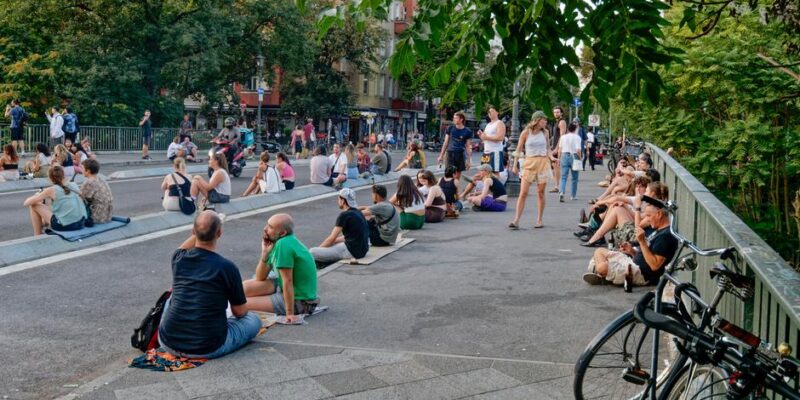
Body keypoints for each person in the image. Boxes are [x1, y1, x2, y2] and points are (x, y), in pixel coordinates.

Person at [159, 211, 262, 359]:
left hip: (168, 342)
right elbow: (239, 312)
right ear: (219, 233)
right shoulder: (227, 267)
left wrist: (200, 228)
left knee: (172, 297)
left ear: (193, 232)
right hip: (207, 347)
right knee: (254, 320)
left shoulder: (179, 258)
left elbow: (182, 247)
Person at [583, 196, 679, 288]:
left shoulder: (665, 236)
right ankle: (604, 274)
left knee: (601, 267)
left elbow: (654, 266)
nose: (648, 220)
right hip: (632, 262)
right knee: (599, 251)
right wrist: (632, 251)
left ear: (659, 214)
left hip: (639, 273)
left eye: (649, 216)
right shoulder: (659, 230)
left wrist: (642, 242)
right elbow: (646, 255)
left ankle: (601, 273)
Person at [243, 214, 319, 322]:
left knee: (239, 305)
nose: (265, 229)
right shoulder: (279, 242)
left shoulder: (283, 245)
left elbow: (287, 281)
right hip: (283, 288)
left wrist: (289, 314)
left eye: (270, 227)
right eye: (267, 225)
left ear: (282, 233)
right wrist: (265, 254)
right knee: (241, 290)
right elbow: (260, 277)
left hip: (301, 302)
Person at [508, 112, 553, 229]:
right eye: (544, 120)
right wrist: (514, 165)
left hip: (542, 162)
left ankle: (539, 220)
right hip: (529, 162)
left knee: (540, 192)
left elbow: (548, 148)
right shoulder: (526, 133)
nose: (545, 122)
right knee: (523, 193)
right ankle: (516, 220)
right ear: (537, 120)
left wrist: (552, 158)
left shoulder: (545, 132)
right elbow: (518, 150)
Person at [310, 188, 370, 264]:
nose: (338, 201)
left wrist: (320, 249)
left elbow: (331, 238)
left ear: (343, 201)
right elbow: (353, 235)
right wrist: (335, 241)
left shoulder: (344, 215)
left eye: (338, 199)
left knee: (312, 252)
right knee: (334, 243)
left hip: (351, 251)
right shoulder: (359, 213)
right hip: (363, 251)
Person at [23, 165, 87, 235]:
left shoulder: (51, 190)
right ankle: (43, 225)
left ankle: (37, 235)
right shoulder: (73, 185)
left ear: (50, 178)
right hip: (80, 223)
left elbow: (26, 203)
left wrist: (37, 195)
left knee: (34, 205)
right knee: (54, 206)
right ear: (63, 175)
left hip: (66, 226)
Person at [438, 111, 472, 181]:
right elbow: (445, 142)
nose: (454, 119)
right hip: (450, 153)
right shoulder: (450, 128)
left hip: (460, 153)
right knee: (448, 174)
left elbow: (468, 146)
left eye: (456, 118)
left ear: (461, 119)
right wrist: (441, 155)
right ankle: (449, 187)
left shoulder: (467, 131)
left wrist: (468, 161)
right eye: (454, 118)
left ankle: (456, 187)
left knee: (457, 176)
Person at [555, 122, 583, 202]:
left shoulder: (563, 137)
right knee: (574, 178)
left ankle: (561, 192)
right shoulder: (577, 137)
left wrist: (559, 159)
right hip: (574, 156)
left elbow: (559, 149)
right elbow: (578, 150)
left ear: (568, 129)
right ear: (575, 129)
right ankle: (573, 196)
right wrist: (580, 158)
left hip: (564, 156)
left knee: (563, 177)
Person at [80, 159, 113, 226]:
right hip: (108, 215)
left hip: (97, 217)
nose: (81, 170)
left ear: (88, 171)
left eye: (82, 168)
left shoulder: (89, 182)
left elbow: (80, 198)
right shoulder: (102, 180)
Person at [477, 106, 506, 175]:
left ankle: (496, 183)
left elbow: (500, 137)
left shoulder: (499, 123)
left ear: (497, 112)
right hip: (486, 151)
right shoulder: (488, 125)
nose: (489, 113)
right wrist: (481, 135)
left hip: (495, 152)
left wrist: (486, 137)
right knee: (484, 173)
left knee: (495, 173)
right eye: (489, 112)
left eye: (492, 111)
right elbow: (484, 138)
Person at [550, 106, 567, 193]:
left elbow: (562, 136)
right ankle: (557, 185)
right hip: (554, 146)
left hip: (559, 147)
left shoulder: (562, 122)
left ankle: (557, 186)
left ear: (561, 113)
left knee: (556, 166)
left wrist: (557, 148)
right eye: (554, 112)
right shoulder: (557, 122)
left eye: (557, 112)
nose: (556, 114)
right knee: (554, 166)